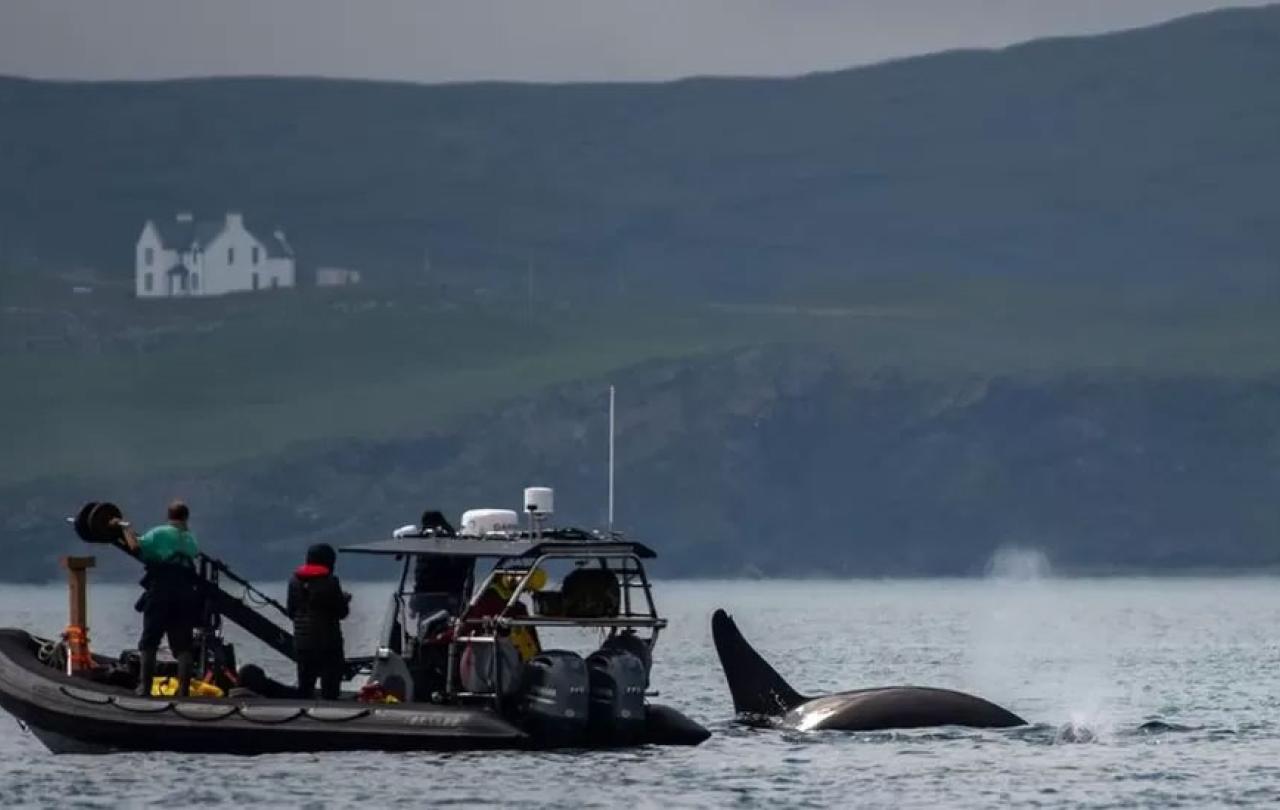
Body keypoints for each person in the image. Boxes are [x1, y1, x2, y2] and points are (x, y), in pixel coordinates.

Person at [118, 500, 201, 697]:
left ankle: (145, 688)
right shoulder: (191, 539)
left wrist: (126, 529)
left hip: (161, 592)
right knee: (183, 646)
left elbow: (135, 547)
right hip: (185, 594)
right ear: (186, 517)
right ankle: (183, 692)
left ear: (168, 516)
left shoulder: (159, 533)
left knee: (150, 641)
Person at [287, 543, 350, 700]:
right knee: (330, 689)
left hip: (302, 644)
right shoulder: (331, 582)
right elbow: (341, 613)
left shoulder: (294, 581)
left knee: (305, 688)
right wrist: (345, 600)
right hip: (328, 644)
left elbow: (291, 612)